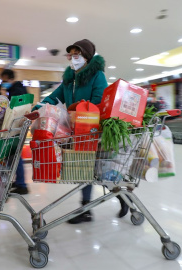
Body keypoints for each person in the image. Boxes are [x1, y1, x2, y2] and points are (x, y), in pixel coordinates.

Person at [33, 39, 130, 224]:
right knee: (84, 171)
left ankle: (122, 198)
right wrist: (36, 107)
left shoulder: (97, 75)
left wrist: (79, 112)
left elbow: (99, 103)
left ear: (86, 56)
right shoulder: (70, 79)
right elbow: (54, 97)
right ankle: (87, 209)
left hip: (93, 131)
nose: (73, 58)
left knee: (98, 172)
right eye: (71, 54)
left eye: (76, 54)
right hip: (77, 130)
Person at [0, 69, 29, 195]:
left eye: (4, 80)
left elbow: (13, 109)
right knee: (13, 156)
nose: (3, 83)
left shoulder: (18, 90)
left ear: (9, 78)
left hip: (16, 128)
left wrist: (3, 94)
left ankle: (22, 185)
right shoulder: (14, 89)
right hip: (14, 127)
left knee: (15, 156)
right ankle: (19, 182)